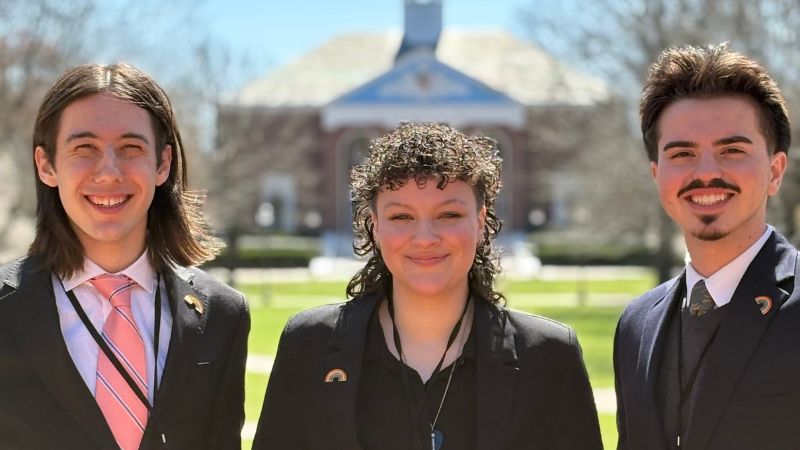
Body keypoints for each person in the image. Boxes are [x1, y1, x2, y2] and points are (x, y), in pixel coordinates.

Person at [253, 122, 602, 450]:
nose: (425, 238)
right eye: (401, 217)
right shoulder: (308, 345)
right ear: (374, 227)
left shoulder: (550, 356)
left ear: (480, 223)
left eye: (448, 215)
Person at [0, 63, 249, 450]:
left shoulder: (223, 314)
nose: (109, 171)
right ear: (46, 165)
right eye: (85, 148)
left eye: (131, 148)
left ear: (162, 164)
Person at [615, 43, 800, 450]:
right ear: (656, 174)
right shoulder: (635, 325)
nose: (707, 173)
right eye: (682, 154)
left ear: (774, 171)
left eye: (731, 150)